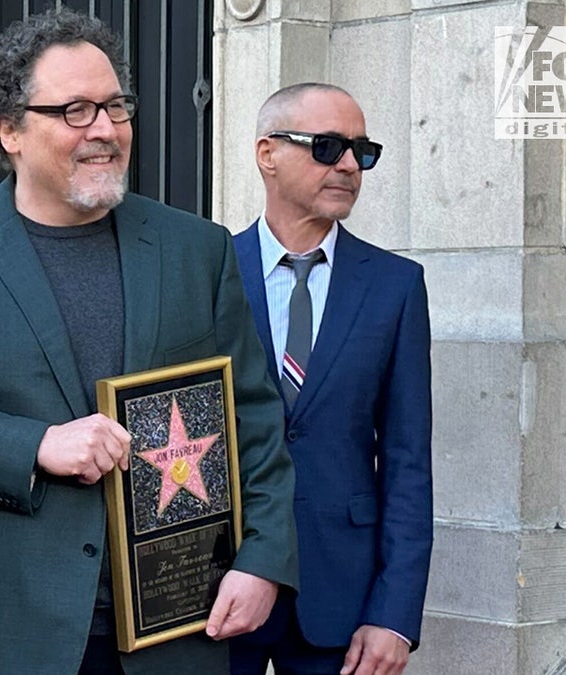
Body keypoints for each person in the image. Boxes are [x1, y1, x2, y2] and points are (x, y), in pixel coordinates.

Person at [0, 9, 297, 675]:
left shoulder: (196, 249)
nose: (105, 129)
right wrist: (35, 445)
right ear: (8, 129)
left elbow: (252, 419)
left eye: (116, 105)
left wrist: (263, 559)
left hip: (173, 625)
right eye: (75, 110)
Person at [228, 83, 433, 675]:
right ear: (267, 153)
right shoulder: (207, 269)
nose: (348, 164)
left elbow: (407, 462)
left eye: (361, 151)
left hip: (343, 601)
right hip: (221, 589)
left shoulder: (395, 286)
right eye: (326, 146)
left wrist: (395, 613)